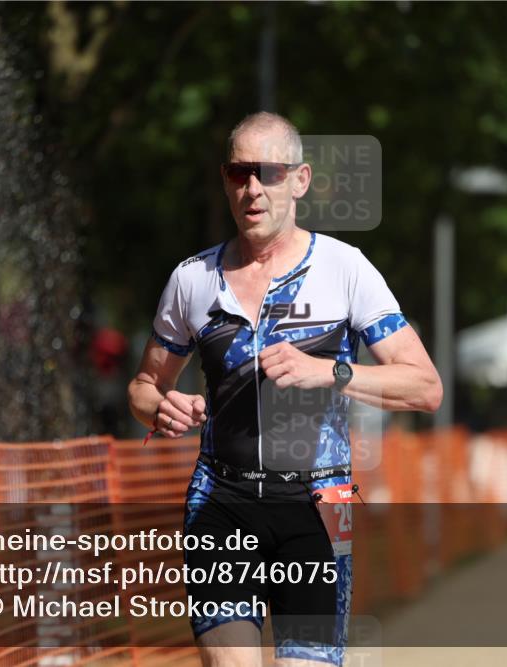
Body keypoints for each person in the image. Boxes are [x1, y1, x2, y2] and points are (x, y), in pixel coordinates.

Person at [128, 112, 442, 667]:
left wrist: (333, 373)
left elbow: (424, 387)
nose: (251, 188)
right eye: (238, 172)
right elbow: (145, 386)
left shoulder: (346, 269)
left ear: (299, 180)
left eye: (268, 173)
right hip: (221, 502)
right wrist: (162, 407)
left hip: (317, 506)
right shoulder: (193, 279)